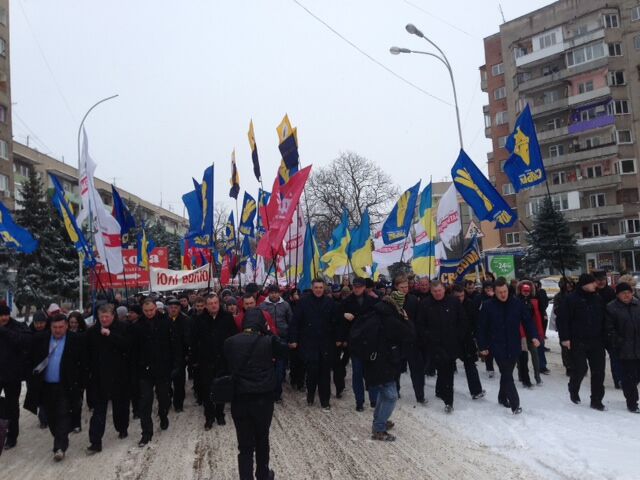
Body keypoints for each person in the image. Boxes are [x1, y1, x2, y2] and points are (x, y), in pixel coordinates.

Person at [224, 308, 288, 480]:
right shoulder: (268, 341)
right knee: (262, 439)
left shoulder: (230, 342)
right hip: (262, 398)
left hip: (240, 398)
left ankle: (245, 477)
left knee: (244, 445)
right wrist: (267, 332)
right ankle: (262, 474)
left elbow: (225, 366)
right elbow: (285, 351)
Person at [25, 314, 84, 461]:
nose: (57, 330)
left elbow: (83, 363)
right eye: (54, 327)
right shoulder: (40, 340)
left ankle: (59, 447)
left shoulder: (75, 340)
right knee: (50, 417)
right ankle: (60, 436)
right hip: (45, 386)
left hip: (65, 386)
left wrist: (81, 382)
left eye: (61, 327)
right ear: (50, 327)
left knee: (63, 414)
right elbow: (30, 360)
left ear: (66, 326)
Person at [477, 279, 540, 414]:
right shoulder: (488, 306)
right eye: (500, 292)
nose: (503, 294)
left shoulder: (517, 303)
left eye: (505, 291)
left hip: (514, 344)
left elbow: (527, 321)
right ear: (494, 292)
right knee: (506, 373)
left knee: (507, 374)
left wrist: (534, 336)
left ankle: (501, 397)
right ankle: (515, 404)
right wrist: (482, 346)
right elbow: (481, 328)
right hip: (497, 345)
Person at [132, 299, 182, 446]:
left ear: (156, 308)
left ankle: (163, 414)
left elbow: (175, 344)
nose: (149, 313)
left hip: (163, 368)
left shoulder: (166, 322)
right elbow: (133, 351)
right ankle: (146, 433)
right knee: (145, 402)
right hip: (144, 370)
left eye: (151, 310)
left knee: (164, 397)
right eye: (146, 310)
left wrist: (176, 364)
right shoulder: (137, 326)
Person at [364, 293, 413, 441]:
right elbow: (409, 334)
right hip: (385, 360)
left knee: (384, 392)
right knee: (391, 396)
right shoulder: (391, 318)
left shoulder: (379, 311)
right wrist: (406, 319)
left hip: (377, 359)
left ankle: (379, 421)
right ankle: (379, 428)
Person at [289, 278, 342, 410]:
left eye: (320, 287)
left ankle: (325, 401)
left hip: (326, 343)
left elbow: (337, 323)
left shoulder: (330, 303)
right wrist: (293, 339)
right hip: (309, 342)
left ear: (324, 289)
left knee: (324, 374)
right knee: (312, 372)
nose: (318, 290)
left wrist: (339, 338)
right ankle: (311, 395)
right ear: (312, 288)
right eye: (316, 287)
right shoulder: (303, 302)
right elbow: (295, 323)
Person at [85, 304, 132, 454]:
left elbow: (128, 347)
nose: (104, 319)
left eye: (107, 316)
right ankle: (95, 441)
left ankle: (122, 428)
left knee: (120, 406)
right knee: (99, 410)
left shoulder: (123, 328)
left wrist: (110, 335)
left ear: (113, 316)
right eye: (101, 317)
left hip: (119, 375)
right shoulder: (92, 332)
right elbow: (88, 353)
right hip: (99, 377)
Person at [557, 273, 607, 411]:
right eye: (592, 283)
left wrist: (605, 337)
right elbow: (563, 320)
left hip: (596, 341)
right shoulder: (571, 299)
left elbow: (603, 319)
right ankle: (573, 387)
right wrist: (565, 338)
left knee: (598, 371)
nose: (595, 285)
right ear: (584, 284)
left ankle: (596, 400)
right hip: (578, 340)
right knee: (580, 369)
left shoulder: (597, 299)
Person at [192, 294, 238, 429]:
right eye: (210, 303)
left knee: (221, 387)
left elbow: (233, 337)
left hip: (222, 360)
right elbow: (194, 341)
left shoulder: (227, 317)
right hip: (205, 361)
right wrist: (195, 359)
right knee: (207, 389)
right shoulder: (199, 320)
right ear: (206, 305)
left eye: (216, 302)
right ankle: (209, 416)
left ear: (219, 303)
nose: (213, 305)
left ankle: (220, 413)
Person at [418, 281, 465, 412]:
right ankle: (440, 390)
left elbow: (462, 321)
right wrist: (427, 337)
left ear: (444, 290)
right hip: (433, 345)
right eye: (435, 291)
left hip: (450, 344)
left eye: (439, 290)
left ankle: (449, 401)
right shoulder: (425, 304)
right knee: (441, 369)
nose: (437, 293)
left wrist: (458, 337)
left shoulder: (453, 302)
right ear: (431, 292)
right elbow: (420, 325)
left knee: (448, 372)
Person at [341, 277, 379, 411]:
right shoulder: (346, 302)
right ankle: (359, 401)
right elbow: (339, 320)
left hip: (370, 342)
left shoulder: (373, 301)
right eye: (355, 286)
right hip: (355, 342)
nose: (357, 289)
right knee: (357, 373)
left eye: (360, 286)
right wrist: (343, 315)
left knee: (371, 372)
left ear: (364, 287)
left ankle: (374, 399)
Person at [0, 304, 31, 450]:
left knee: (12, 405)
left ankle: (12, 436)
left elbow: (25, 341)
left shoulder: (18, 326)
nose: (3, 318)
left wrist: (5, 331)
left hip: (13, 374)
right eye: (1, 315)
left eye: (6, 314)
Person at [605, 282, 640, 413]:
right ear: (618, 295)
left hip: (638, 346)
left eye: (628, 292)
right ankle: (632, 403)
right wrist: (618, 342)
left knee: (635, 376)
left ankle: (625, 385)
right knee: (630, 376)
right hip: (624, 349)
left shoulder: (638, 305)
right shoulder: (611, 308)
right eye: (623, 293)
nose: (626, 295)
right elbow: (609, 329)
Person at [393, 274, 426, 403]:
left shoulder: (413, 300)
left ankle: (420, 395)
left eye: (406, 287)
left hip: (412, 340)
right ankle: (395, 390)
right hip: (397, 340)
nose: (405, 289)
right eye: (402, 287)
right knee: (395, 369)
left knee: (417, 370)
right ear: (396, 287)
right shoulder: (391, 300)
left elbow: (419, 319)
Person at [450, 285, 485, 401]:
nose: (460, 298)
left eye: (462, 296)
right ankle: (444, 390)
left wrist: (475, 335)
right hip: (452, 339)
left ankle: (476, 391)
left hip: (467, 339)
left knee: (470, 365)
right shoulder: (448, 304)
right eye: (458, 296)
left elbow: (476, 320)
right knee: (447, 366)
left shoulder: (469, 304)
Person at [259, 285, 292, 403]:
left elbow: (290, 320)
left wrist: (289, 335)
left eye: (276, 293)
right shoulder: (263, 305)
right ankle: (268, 390)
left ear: (280, 294)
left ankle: (277, 393)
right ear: (268, 294)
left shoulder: (285, 305)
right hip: (268, 339)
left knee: (280, 366)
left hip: (282, 338)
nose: (274, 295)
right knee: (269, 367)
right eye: (272, 293)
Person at [593, 270, 622, 389]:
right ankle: (597, 381)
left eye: (603, 279)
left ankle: (618, 380)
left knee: (615, 357)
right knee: (597, 360)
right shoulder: (591, 292)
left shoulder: (610, 292)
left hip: (609, 329)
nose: (601, 282)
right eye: (598, 280)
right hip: (595, 331)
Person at [516, 281, 545, 388]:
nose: (526, 293)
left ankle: (537, 377)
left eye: (528, 291)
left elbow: (537, 317)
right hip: (521, 332)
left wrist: (538, 332)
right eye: (524, 291)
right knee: (522, 357)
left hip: (531, 331)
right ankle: (522, 375)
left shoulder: (534, 301)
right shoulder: (516, 301)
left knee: (535, 355)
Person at [166, 297, 190, 413]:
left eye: (175, 308)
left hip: (180, 356)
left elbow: (188, 339)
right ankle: (167, 400)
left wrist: (186, 354)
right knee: (166, 382)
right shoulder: (164, 320)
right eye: (171, 308)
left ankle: (178, 404)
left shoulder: (185, 320)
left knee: (179, 382)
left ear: (179, 308)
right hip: (166, 356)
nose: (173, 310)